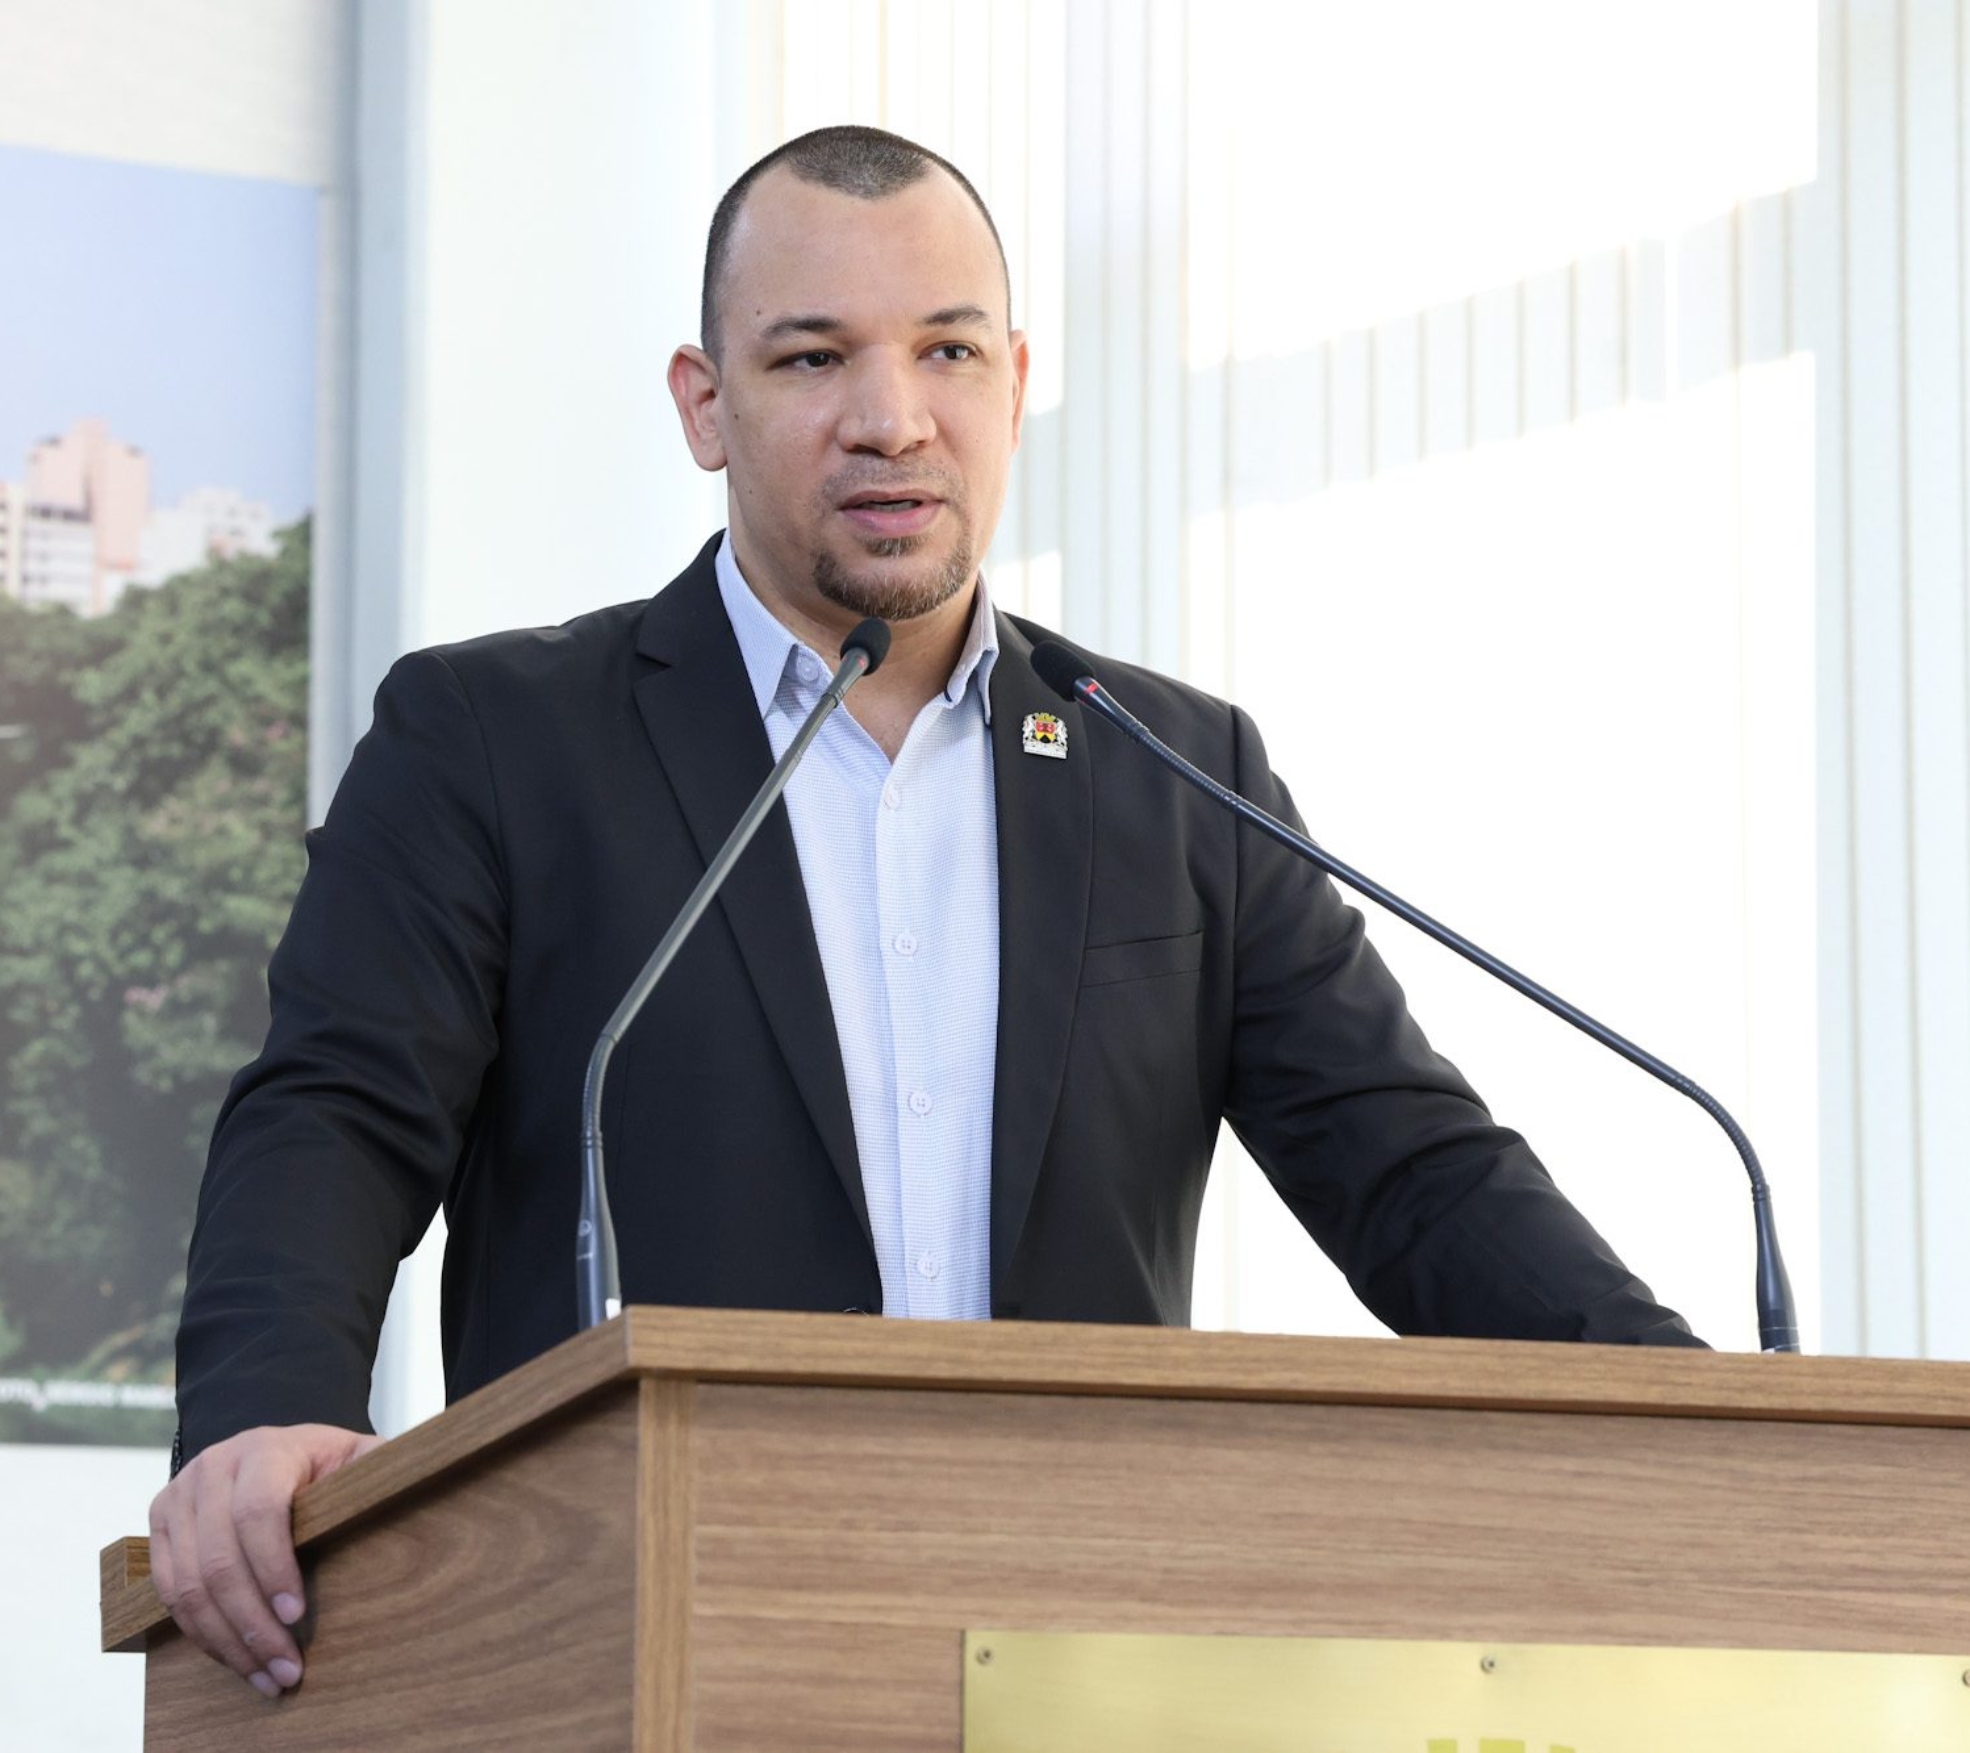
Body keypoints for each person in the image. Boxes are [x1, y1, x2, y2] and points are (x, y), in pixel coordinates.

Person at [147, 125, 1701, 1701]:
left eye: (946, 350)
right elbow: (338, 1109)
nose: (892, 420)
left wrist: (1701, 1417)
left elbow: (1414, 1176)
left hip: (1082, 1659)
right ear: (705, 403)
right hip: (644, 1638)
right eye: (813, 357)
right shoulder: (494, 736)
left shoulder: (1169, 768)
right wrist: (265, 1408)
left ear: (1013, 381)